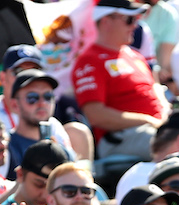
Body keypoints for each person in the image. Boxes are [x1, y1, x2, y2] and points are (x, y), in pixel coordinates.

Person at [72, 0, 168, 161]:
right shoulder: (89, 61)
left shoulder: (136, 56)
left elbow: (156, 87)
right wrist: (149, 120)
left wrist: (165, 114)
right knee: (173, 146)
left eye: (137, 19)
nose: (135, 26)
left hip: (156, 129)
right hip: (121, 137)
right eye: (129, 19)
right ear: (106, 20)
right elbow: (96, 115)